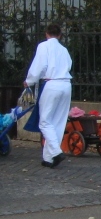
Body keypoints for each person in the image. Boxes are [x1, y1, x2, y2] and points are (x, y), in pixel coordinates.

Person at [24, 23, 73, 168]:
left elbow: (39, 66)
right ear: (59, 35)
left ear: (46, 34)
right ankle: (48, 158)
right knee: (58, 121)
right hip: (66, 84)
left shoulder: (43, 46)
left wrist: (29, 81)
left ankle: (56, 152)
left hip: (51, 83)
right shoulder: (64, 50)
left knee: (45, 121)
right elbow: (69, 65)